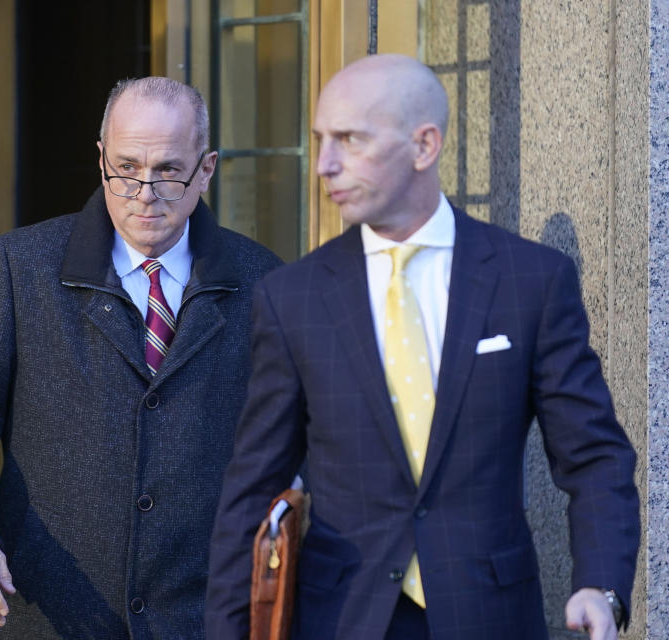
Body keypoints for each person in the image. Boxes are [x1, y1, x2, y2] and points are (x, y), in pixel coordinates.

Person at [205, 54, 639, 640]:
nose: (325, 165)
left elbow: (595, 457)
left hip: (490, 617)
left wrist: (602, 587)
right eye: (320, 140)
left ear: (424, 145)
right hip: (341, 620)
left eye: (351, 140)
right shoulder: (292, 298)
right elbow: (254, 487)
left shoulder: (530, 281)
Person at [0, 76, 282, 639]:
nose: (144, 192)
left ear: (206, 169)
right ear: (100, 161)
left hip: (204, 620)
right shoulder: (24, 266)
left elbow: (294, 452)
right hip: (42, 617)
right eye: (126, 168)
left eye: (168, 171)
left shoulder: (264, 281)